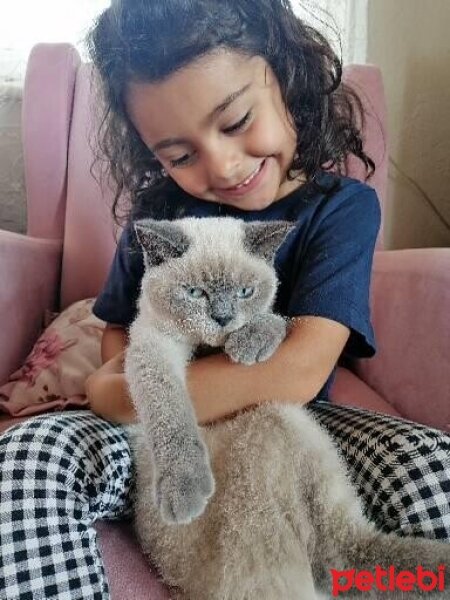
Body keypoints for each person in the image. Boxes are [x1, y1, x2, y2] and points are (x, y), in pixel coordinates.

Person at [1, 1, 449, 599]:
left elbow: (299, 370)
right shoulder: (160, 214)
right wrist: (125, 387)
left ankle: (347, 576)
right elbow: (119, 331)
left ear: (287, 76)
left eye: (236, 121)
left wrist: (126, 393)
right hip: (150, 437)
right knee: (27, 459)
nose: (223, 164)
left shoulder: (339, 209)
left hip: (293, 420)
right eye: (179, 155)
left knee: (432, 471)